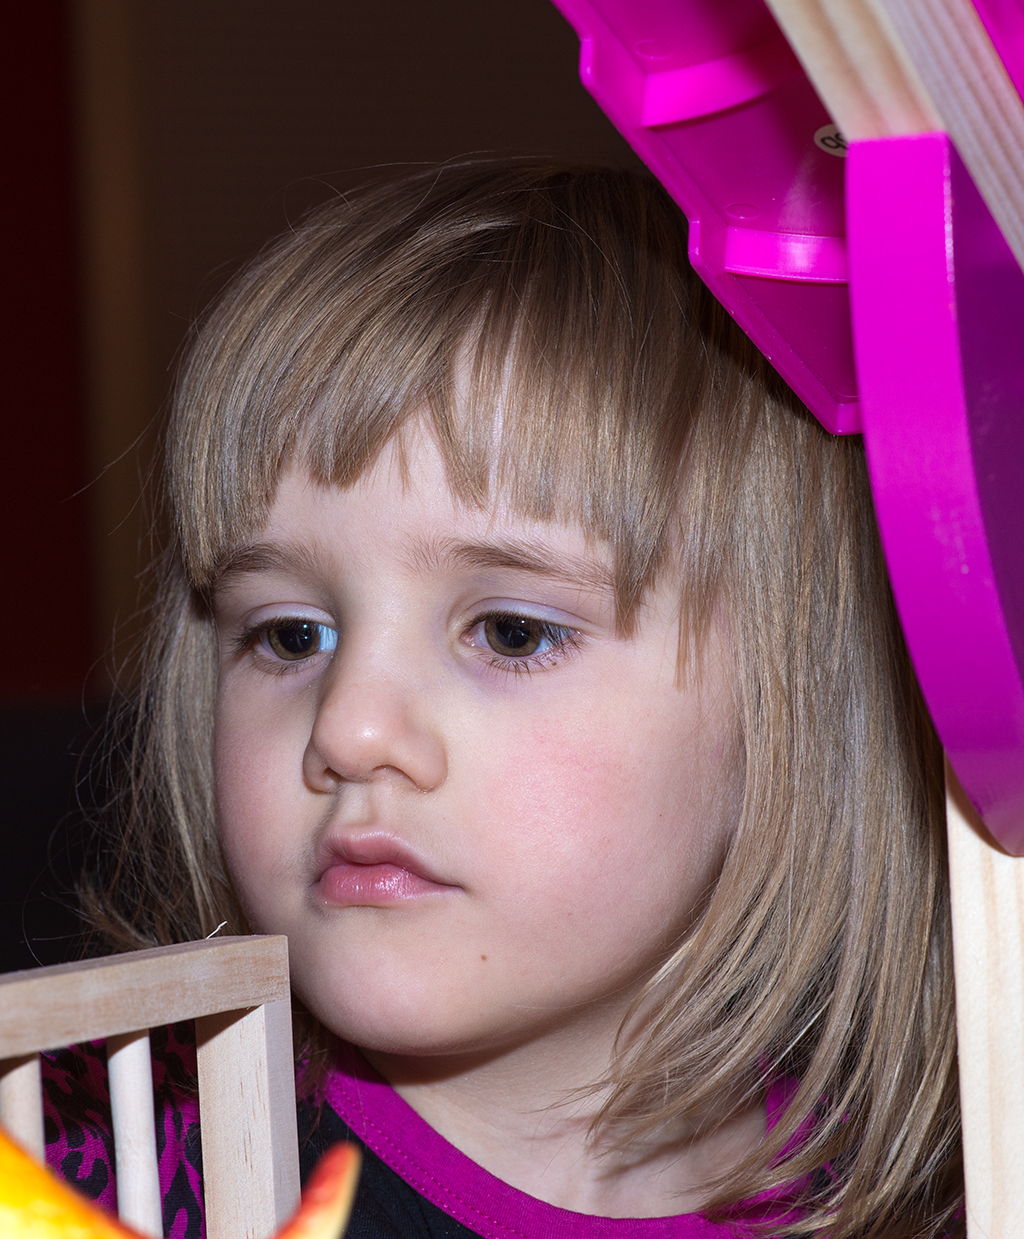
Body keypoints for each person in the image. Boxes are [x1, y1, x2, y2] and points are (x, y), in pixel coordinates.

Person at [46, 161, 961, 1238]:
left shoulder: (951, 1203)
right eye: (291, 635)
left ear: (795, 708)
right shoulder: (97, 1188)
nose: (348, 730)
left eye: (510, 632)